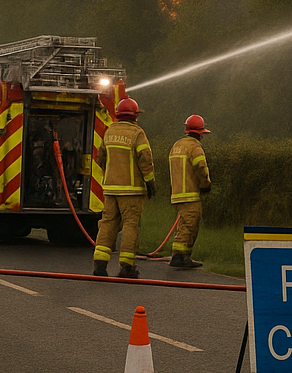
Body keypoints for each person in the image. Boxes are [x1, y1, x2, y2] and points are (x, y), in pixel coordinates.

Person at [91, 96, 156, 279]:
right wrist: (150, 182)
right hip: (132, 191)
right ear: (135, 116)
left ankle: (100, 265)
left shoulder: (110, 131)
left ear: (118, 115)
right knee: (130, 226)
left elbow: (100, 157)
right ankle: (127, 267)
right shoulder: (137, 133)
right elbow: (145, 159)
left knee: (107, 224)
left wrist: (110, 175)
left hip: (111, 190)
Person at [168, 114, 212, 269]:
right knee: (190, 225)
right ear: (200, 133)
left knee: (184, 225)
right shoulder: (195, 148)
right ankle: (180, 256)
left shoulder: (177, 145)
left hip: (178, 194)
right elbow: (201, 168)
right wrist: (206, 185)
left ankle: (182, 256)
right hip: (191, 195)